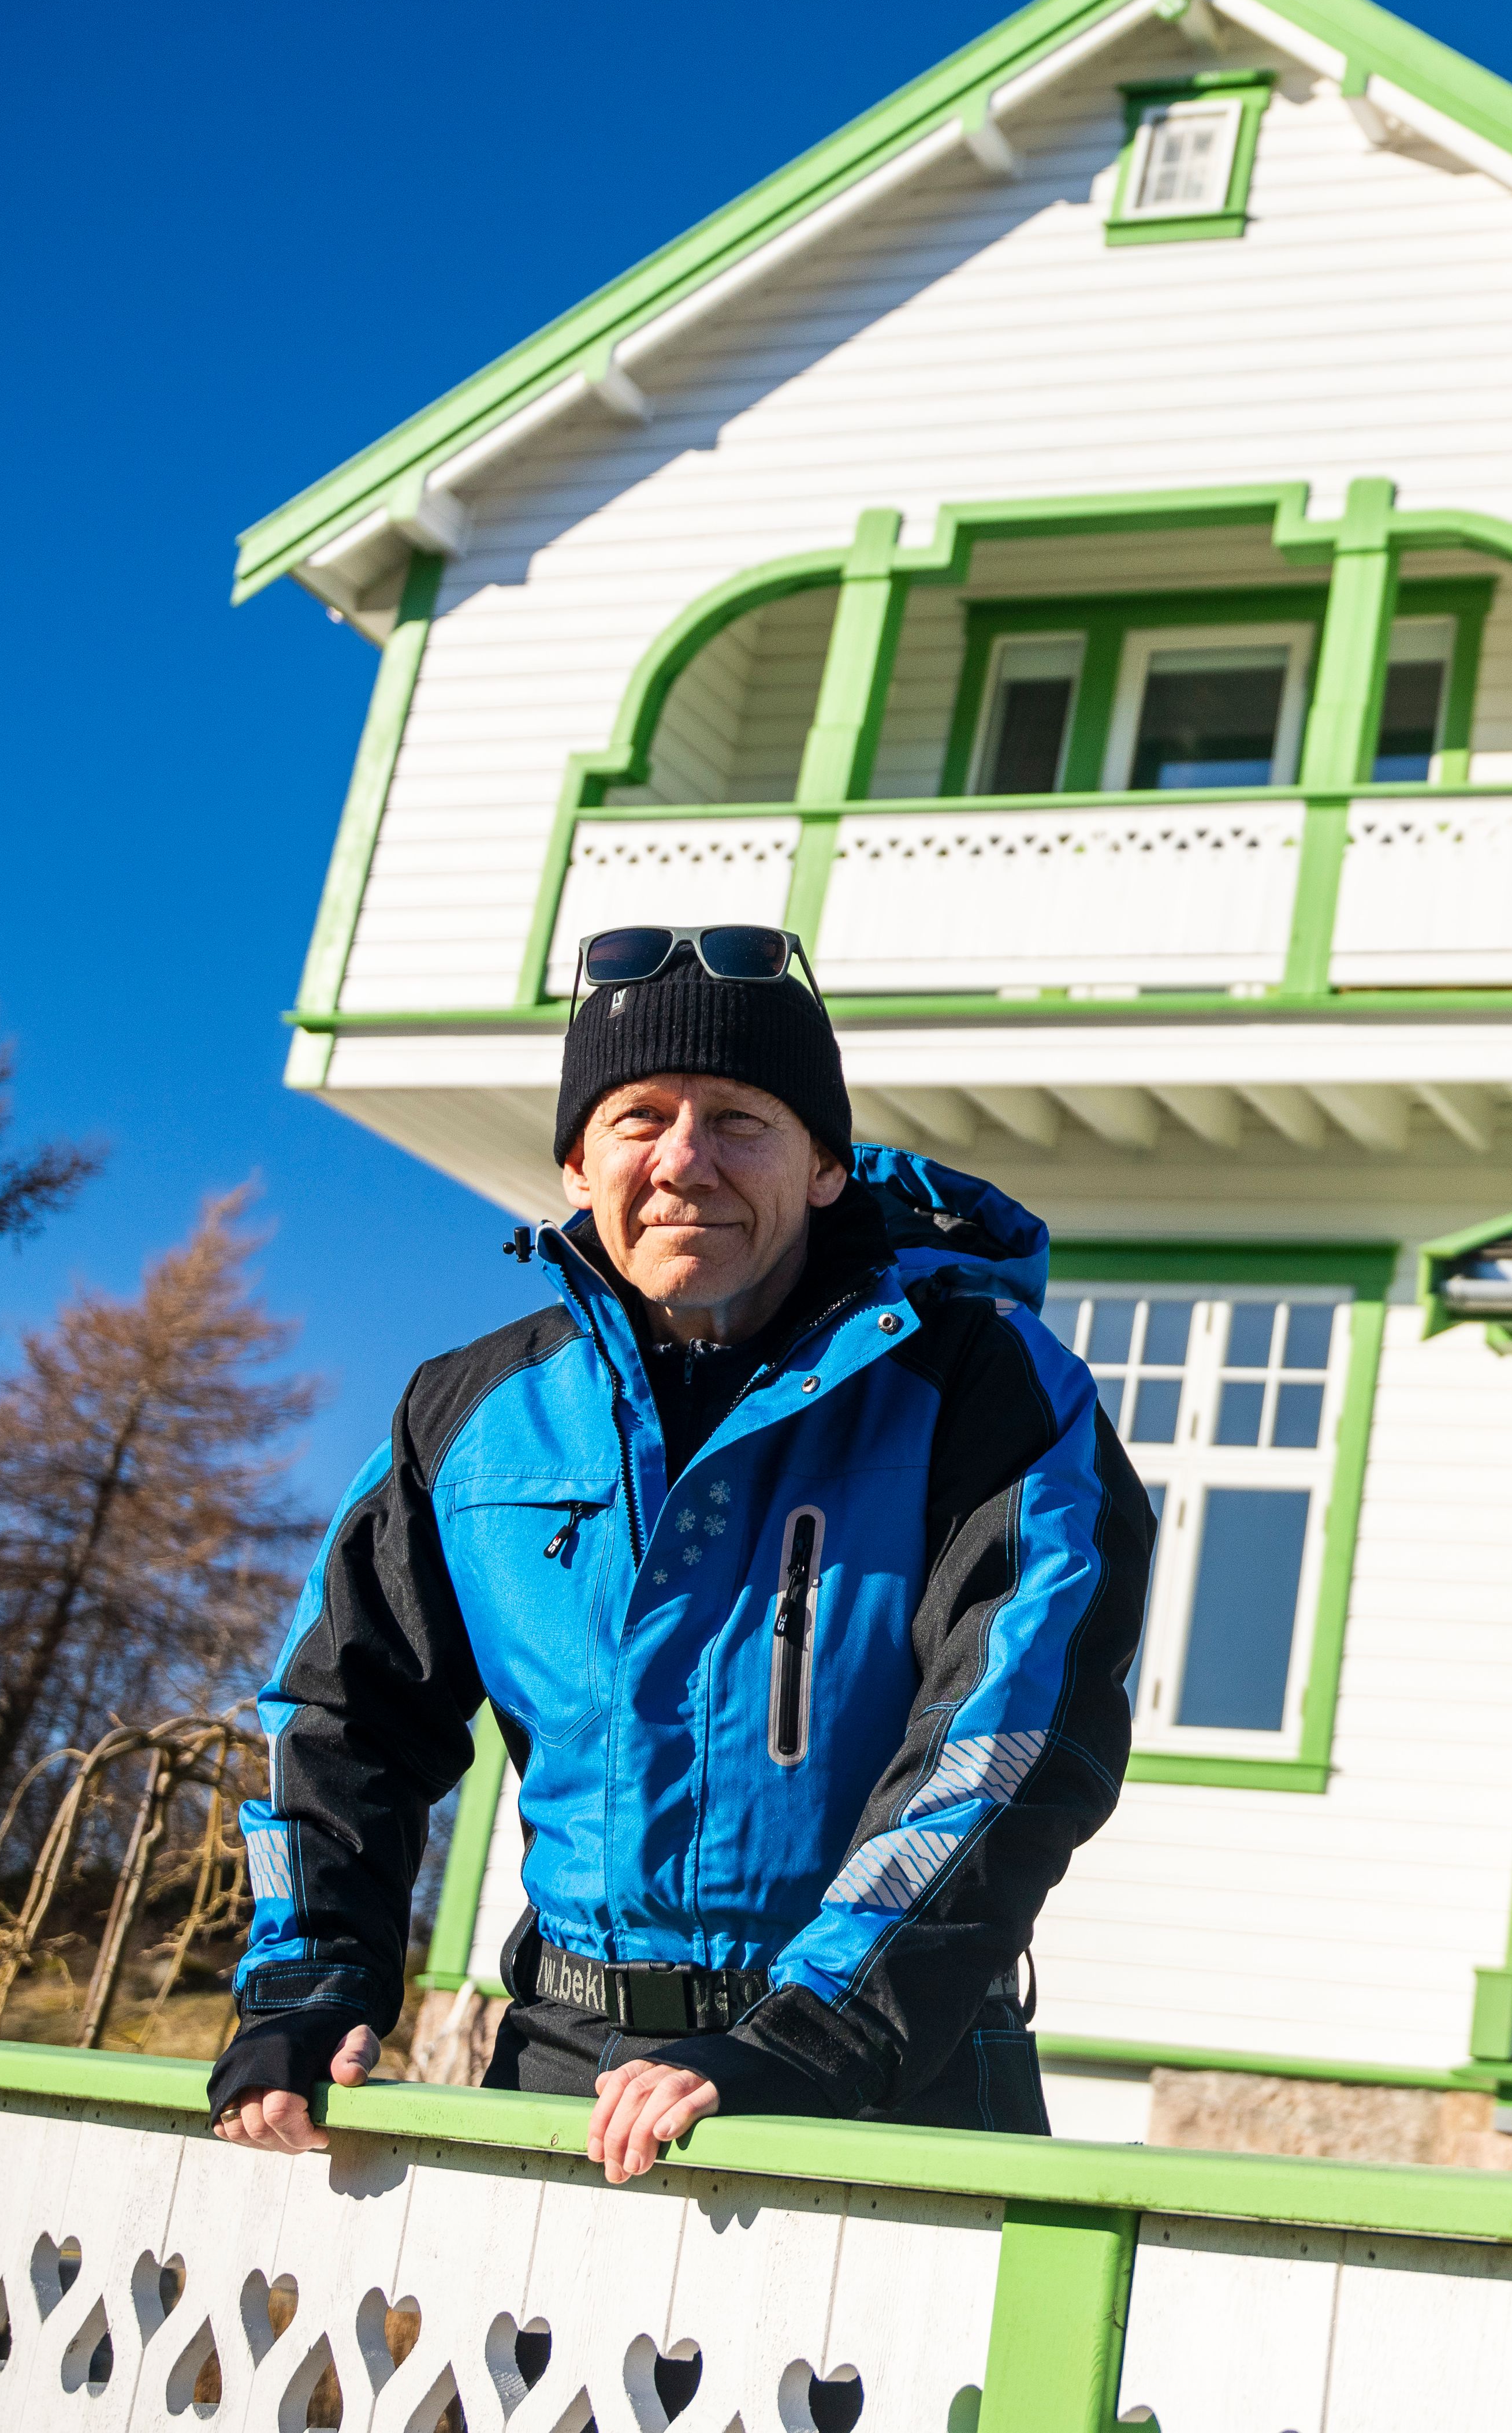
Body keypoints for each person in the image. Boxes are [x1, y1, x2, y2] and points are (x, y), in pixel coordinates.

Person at [204, 925, 1153, 2180]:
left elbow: (1014, 1739)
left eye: (740, 1119)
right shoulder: (471, 1412)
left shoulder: (987, 1388)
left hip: (892, 2077)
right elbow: (342, 1716)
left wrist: (821, 2026)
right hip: (561, 2070)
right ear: (577, 1161)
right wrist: (307, 1980)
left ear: (823, 1165)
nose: (685, 1160)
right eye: (640, 1115)